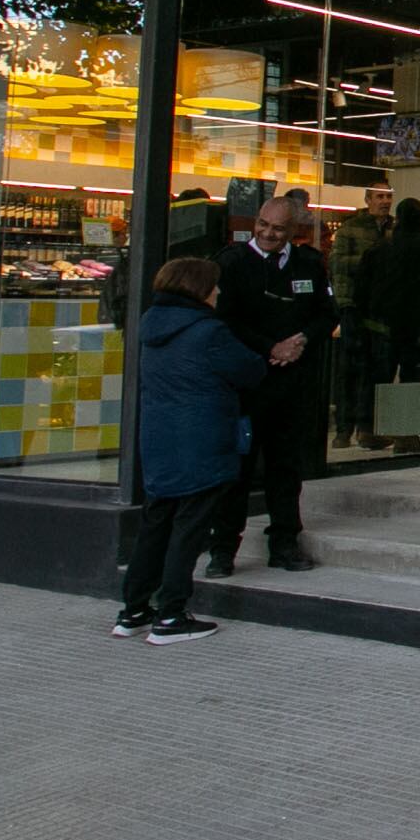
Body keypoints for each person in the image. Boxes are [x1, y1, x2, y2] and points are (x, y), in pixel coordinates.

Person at [118, 258, 264, 643]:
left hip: (159, 441)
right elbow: (249, 370)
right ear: (199, 289)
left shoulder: (150, 326)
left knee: (156, 523)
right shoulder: (208, 332)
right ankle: (171, 614)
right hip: (201, 442)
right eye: (214, 286)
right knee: (189, 527)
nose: (218, 292)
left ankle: (134, 609)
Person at [208, 196, 332, 574]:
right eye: (263, 224)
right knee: (238, 469)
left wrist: (300, 342)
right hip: (246, 385)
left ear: (293, 232)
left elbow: (327, 314)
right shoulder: (230, 263)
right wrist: (269, 347)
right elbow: (223, 320)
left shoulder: (309, 264)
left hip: (291, 385)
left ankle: (284, 543)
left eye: (278, 229)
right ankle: (223, 550)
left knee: (286, 466)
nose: (267, 233)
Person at [355, 197, 420, 448]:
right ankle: (404, 433)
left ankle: (367, 429)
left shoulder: (379, 248)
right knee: (410, 378)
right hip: (415, 328)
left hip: (380, 325)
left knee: (377, 377)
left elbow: (361, 289)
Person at [330, 182, 395, 446]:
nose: (385, 201)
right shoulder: (351, 228)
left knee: (377, 370)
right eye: (380, 196)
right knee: (350, 369)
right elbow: (337, 263)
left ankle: (367, 427)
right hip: (355, 307)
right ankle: (345, 428)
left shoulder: (394, 229)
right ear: (368, 199)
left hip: (382, 309)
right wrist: (371, 260)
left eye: (388, 197)